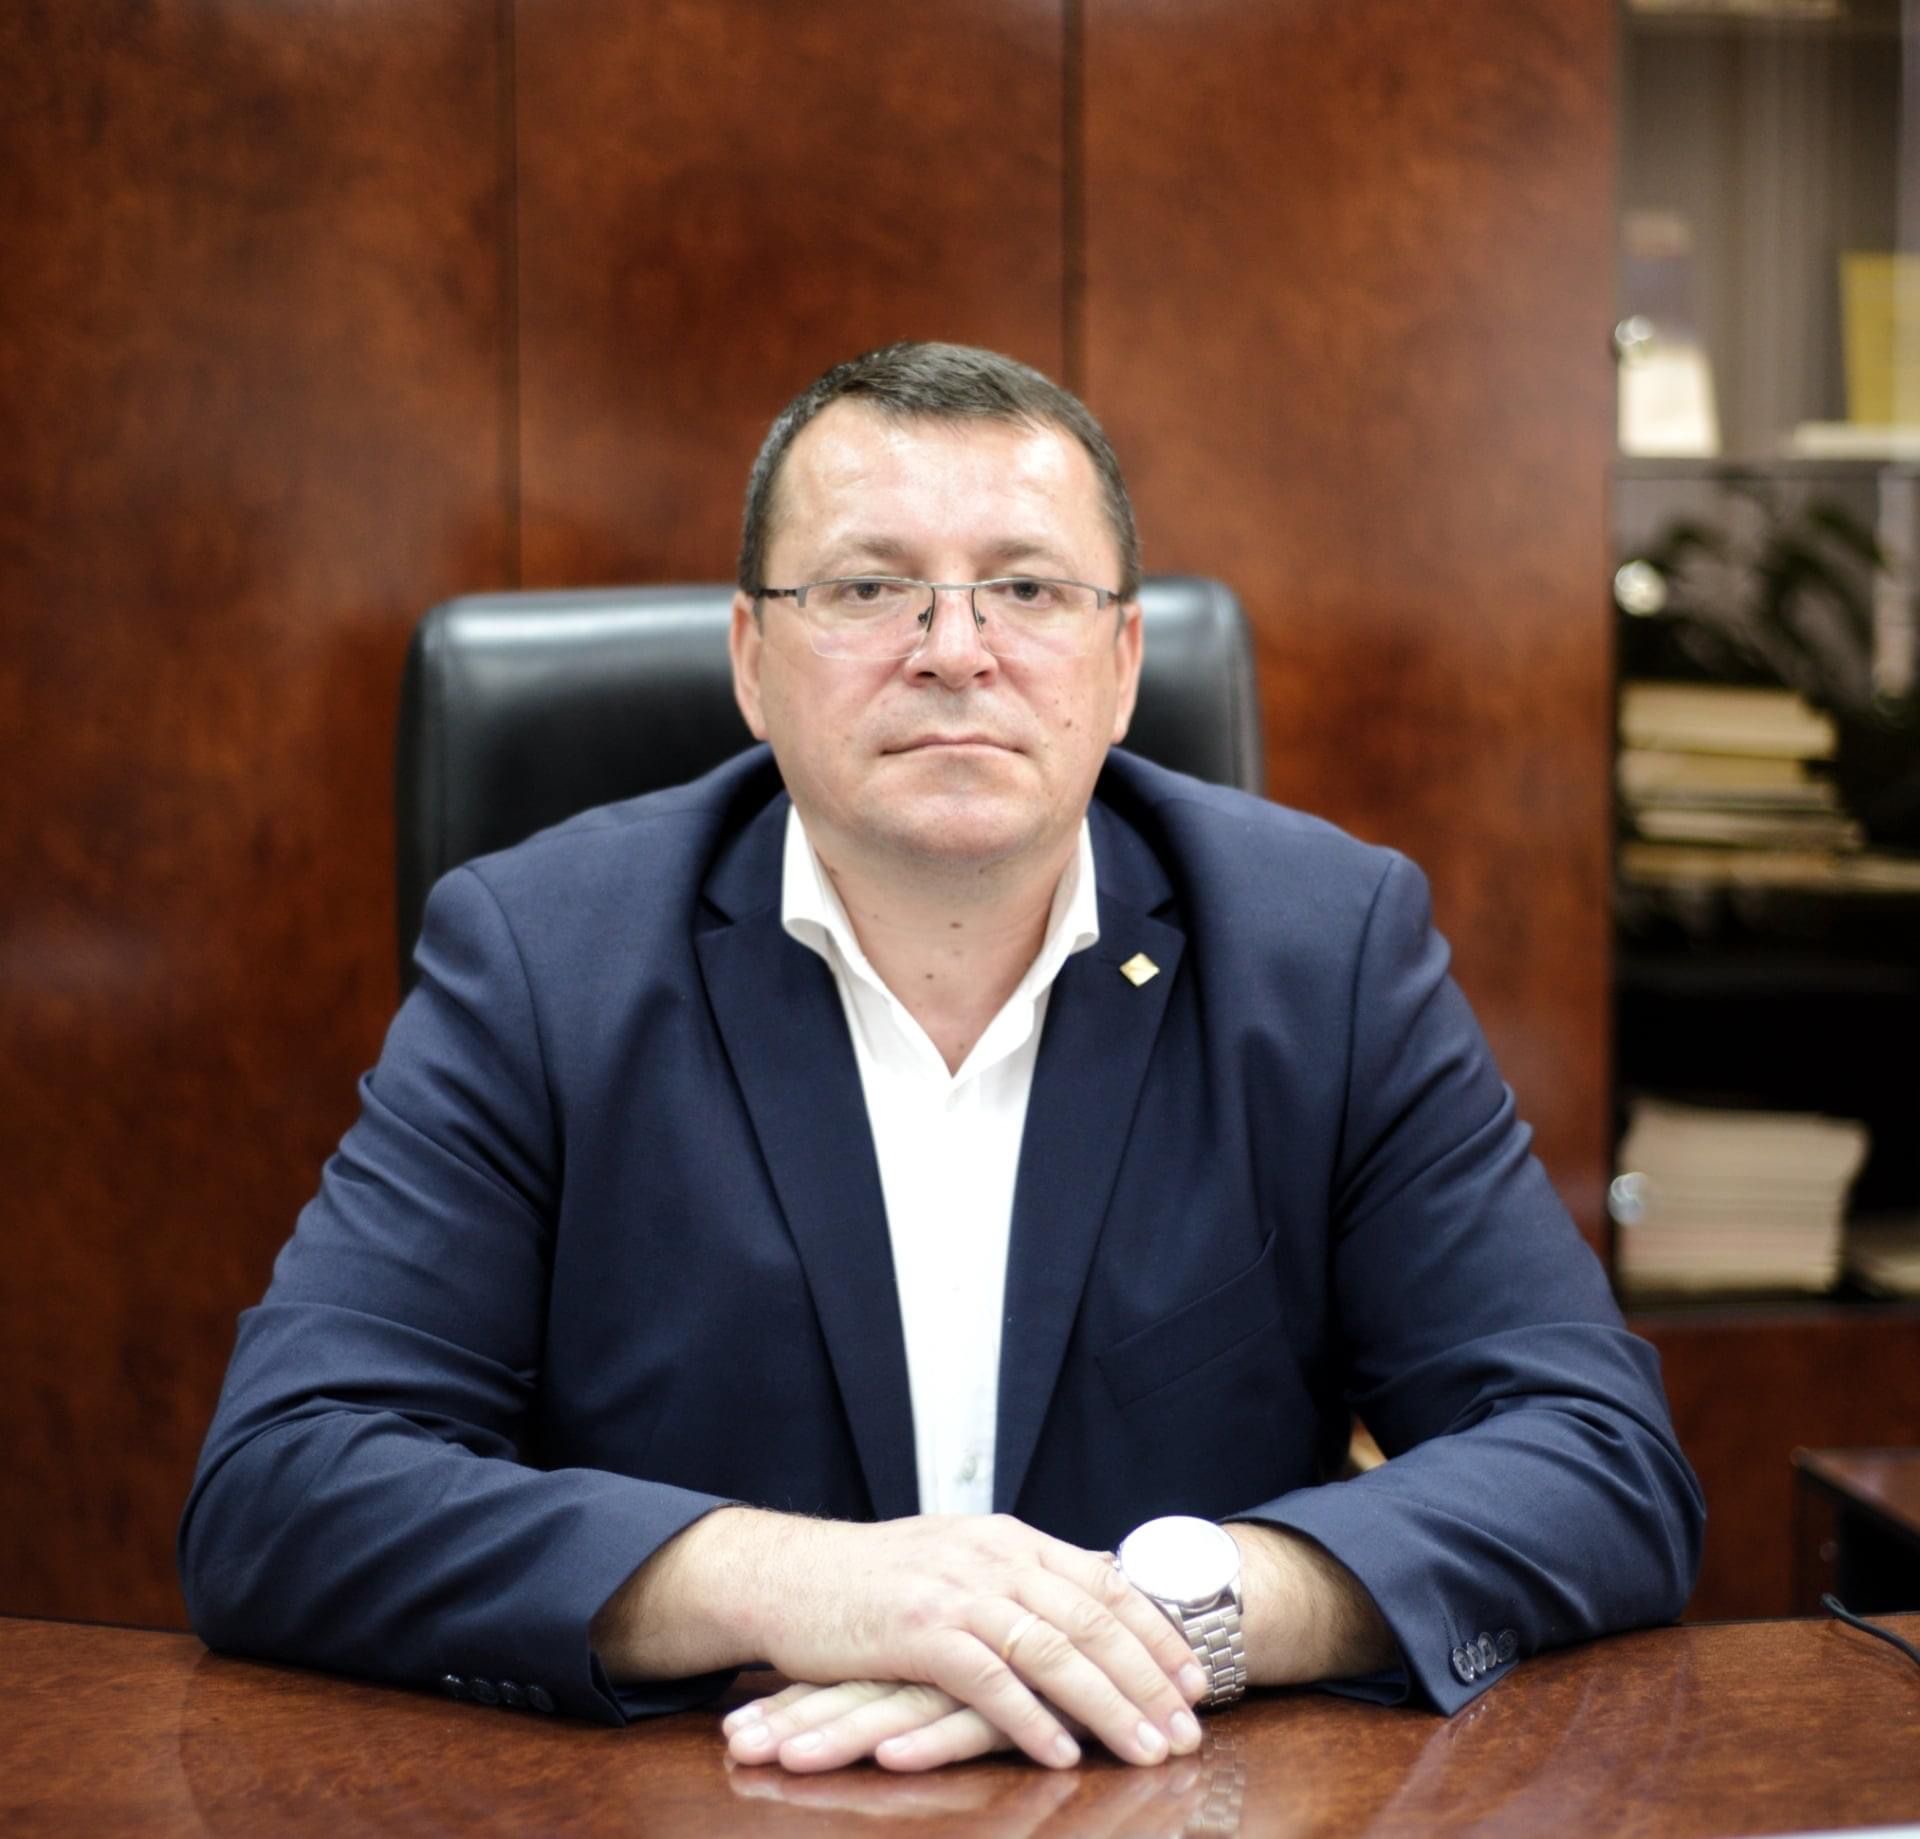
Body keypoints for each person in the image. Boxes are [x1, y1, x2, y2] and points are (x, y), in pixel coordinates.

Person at [180, 341, 1703, 1776]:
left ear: (1122, 663)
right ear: (751, 661)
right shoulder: (543, 959)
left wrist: (1174, 1617)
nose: (955, 652)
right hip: (707, 1796)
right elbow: (283, 1487)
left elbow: (1596, 1462)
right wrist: (795, 1585)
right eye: (869, 588)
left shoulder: (1324, 953)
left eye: (1027, 589)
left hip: (1163, 1791)